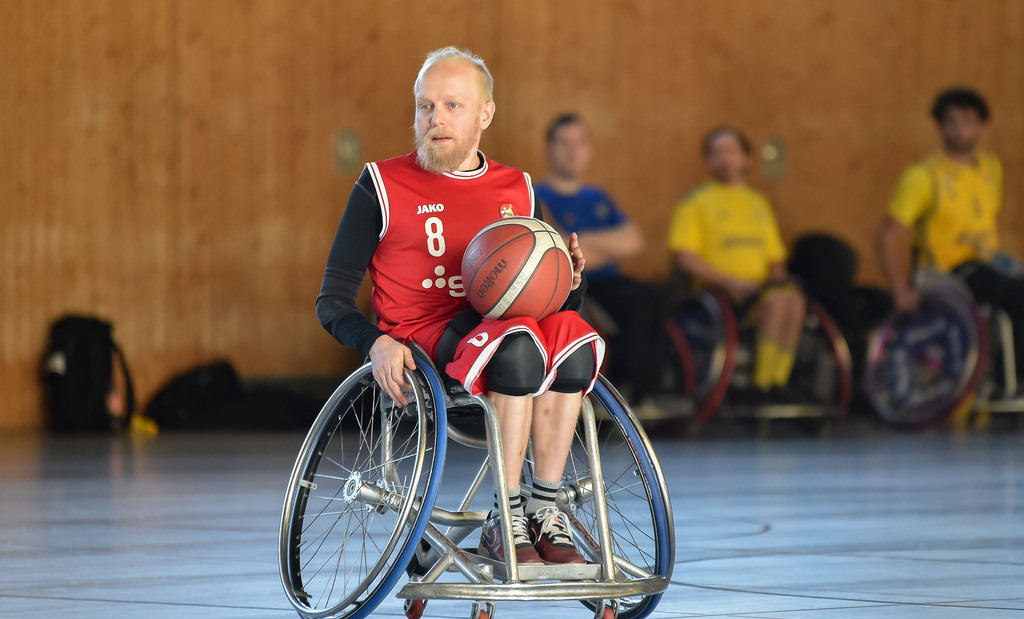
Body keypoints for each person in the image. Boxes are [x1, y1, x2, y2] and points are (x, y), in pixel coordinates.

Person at [316, 47, 604, 566]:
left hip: (505, 331)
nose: (436, 119)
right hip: (427, 344)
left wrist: (570, 281)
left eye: (452, 106)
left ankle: (543, 507)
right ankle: (504, 516)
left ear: (485, 114)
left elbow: (547, 301)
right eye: (425, 106)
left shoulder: (518, 187)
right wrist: (376, 343)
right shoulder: (380, 184)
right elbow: (331, 301)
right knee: (517, 347)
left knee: (575, 341)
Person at [877, 87, 1024, 384]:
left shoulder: (990, 168)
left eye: (968, 122)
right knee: (1018, 293)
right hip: (946, 273)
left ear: (982, 126)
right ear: (940, 127)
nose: (960, 130)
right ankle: (1015, 382)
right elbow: (888, 236)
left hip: (987, 264)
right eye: (951, 122)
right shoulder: (923, 176)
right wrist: (899, 290)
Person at [534, 113, 667, 406]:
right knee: (636, 302)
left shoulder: (598, 197)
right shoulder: (537, 196)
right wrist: (608, 245)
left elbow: (634, 241)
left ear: (589, 149)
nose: (572, 151)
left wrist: (584, 238)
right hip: (572, 286)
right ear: (549, 148)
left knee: (653, 295)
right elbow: (563, 254)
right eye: (564, 143)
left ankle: (650, 391)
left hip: (611, 282)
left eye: (580, 143)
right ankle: (634, 391)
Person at [667, 126, 806, 401]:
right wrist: (731, 282)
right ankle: (762, 386)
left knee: (793, 300)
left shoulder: (759, 203)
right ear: (708, 160)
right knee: (777, 303)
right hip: (722, 293)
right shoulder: (696, 202)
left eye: (731, 152)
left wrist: (778, 282)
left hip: (761, 290)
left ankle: (778, 382)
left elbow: (775, 257)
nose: (724, 159)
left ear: (746, 158)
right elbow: (684, 256)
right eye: (716, 153)